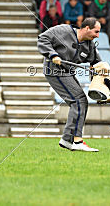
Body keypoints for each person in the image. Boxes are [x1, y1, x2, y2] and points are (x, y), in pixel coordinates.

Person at [37, 17, 102, 152]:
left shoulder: (90, 44)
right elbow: (43, 39)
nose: (97, 36)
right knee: (79, 100)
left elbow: (97, 63)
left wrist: (97, 75)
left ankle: (67, 139)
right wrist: (53, 55)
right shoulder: (63, 30)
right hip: (53, 70)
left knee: (81, 101)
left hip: (68, 72)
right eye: (96, 32)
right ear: (87, 28)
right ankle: (77, 141)